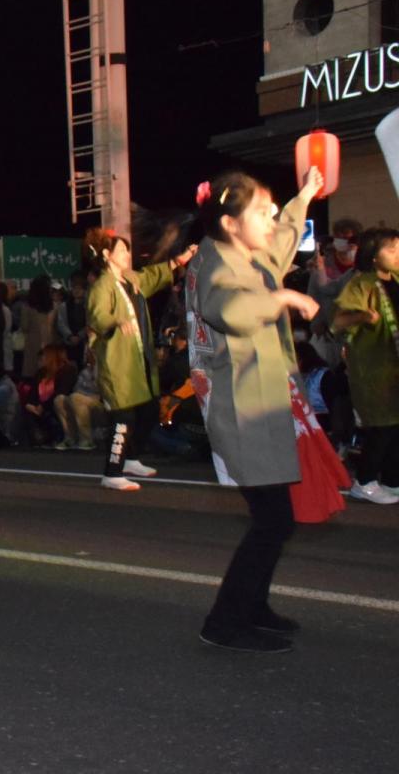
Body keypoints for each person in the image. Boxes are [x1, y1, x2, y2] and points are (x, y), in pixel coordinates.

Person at [187, 167, 324, 653]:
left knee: (274, 518)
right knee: (273, 520)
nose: (271, 218)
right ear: (229, 222)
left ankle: (252, 607)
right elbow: (230, 310)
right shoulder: (216, 267)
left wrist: (304, 195)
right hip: (241, 409)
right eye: (261, 212)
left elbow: (281, 244)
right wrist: (282, 296)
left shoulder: (238, 254)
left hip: (259, 403)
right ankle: (224, 621)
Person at [84, 227, 196, 490]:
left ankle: (131, 458)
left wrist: (180, 260)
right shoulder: (103, 285)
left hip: (138, 360)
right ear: (106, 254)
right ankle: (112, 472)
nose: (126, 254)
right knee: (123, 417)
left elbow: (152, 276)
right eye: (121, 250)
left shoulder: (130, 279)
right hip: (117, 363)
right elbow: (97, 315)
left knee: (147, 410)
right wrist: (115, 321)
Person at [334, 227, 399, 504]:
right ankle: (365, 480)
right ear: (373, 255)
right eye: (391, 249)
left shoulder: (395, 279)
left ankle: (393, 481)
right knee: (382, 425)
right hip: (373, 367)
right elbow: (337, 321)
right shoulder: (361, 284)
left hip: (393, 366)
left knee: (396, 425)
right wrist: (362, 316)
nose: (397, 255)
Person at [53, 347, 103, 450]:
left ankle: (87, 440)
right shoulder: (85, 372)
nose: (87, 354)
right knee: (59, 400)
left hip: (102, 406)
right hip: (83, 401)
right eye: (87, 352)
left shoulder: (105, 370)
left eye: (90, 352)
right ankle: (70, 438)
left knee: (76, 398)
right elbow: (77, 389)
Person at [18, 275, 56, 380]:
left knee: (32, 373)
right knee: (48, 374)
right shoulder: (53, 306)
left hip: (32, 344)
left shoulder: (27, 307)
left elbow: (24, 326)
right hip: (49, 343)